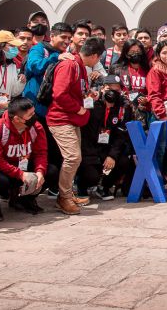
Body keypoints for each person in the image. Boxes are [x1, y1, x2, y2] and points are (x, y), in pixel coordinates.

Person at [47, 37, 105, 215]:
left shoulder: (79, 65)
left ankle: (67, 194)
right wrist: (78, 108)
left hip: (73, 119)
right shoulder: (70, 65)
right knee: (72, 158)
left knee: (74, 158)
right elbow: (59, 93)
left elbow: (76, 90)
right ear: (95, 56)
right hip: (61, 118)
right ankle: (63, 197)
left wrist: (89, 95)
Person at [0, 97, 48, 216]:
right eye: (30, 115)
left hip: (24, 165)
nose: (34, 117)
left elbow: (41, 152)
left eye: (34, 112)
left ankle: (25, 200)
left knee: (51, 172)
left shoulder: (36, 127)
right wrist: (20, 174)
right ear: (17, 118)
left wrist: (40, 171)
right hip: (5, 169)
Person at [78, 75, 135, 200]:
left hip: (106, 148)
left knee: (123, 161)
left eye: (116, 90)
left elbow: (121, 135)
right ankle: (82, 187)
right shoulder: (92, 103)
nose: (112, 93)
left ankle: (104, 186)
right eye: (109, 89)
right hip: (88, 149)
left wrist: (112, 155)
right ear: (103, 88)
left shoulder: (122, 107)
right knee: (90, 174)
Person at [23, 22, 73, 114]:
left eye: (69, 38)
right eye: (63, 37)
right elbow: (35, 66)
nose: (67, 41)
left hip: (51, 106)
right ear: (52, 36)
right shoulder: (39, 49)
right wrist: (55, 58)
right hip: (33, 104)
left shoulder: (64, 54)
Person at [111, 39, 151, 123]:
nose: (135, 54)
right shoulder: (116, 69)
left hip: (142, 112)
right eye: (132, 51)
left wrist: (146, 99)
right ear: (126, 53)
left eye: (138, 51)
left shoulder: (148, 69)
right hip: (122, 110)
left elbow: (153, 91)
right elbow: (110, 89)